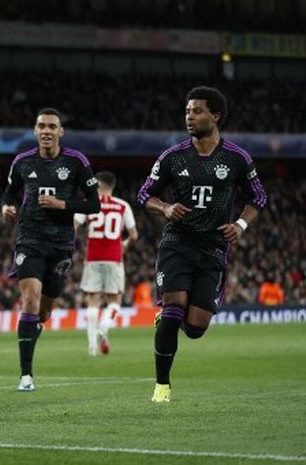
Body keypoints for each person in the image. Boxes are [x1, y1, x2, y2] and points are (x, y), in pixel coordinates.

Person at [137, 86, 268, 403]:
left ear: (216, 116)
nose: (189, 117)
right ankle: (162, 387)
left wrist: (240, 223)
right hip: (177, 242)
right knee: (172, 311)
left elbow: (259, 197)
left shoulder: (237, 159)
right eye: (187, 111)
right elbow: (145, 195)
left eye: (197, 111)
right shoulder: (173, 157)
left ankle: (174, 320)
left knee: (195, 328)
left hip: (212, 248)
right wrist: (166, 208)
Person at [2, 108, 100, 392]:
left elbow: (94, 204)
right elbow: (10, 192)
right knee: (29, 300)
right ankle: (26, 376)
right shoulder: (22, 161)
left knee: (43, 312)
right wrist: (6, 207)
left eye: (52, 126)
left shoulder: (76, 161)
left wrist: (63, 205)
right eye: (41, 126)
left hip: (61, 244)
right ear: (35, 131)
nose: (46, 131)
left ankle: (35, 326)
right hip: (29, 239)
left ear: (61, 132)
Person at [74, 171, 138, 356]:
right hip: (114, 258)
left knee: (93, 300)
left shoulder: (88, 204)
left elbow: (74, 225)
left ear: (99, 186)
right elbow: (134, 235)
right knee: (114, 301)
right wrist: (124, 244)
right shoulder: (122, 206)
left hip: (93, 258)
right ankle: (104, 328)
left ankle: (92, 345)